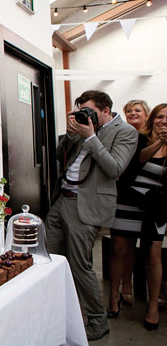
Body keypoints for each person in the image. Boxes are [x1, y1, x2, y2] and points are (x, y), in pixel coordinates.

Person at [45, 90, 137, 341]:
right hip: (61, 199)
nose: (86, 116)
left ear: (106, 110)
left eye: (91, 112)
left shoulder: (126, 132)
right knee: (48, 258)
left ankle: (97, 320)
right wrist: (71, 133)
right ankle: (54, 310)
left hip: (86, 206)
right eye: (82, 111)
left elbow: (114, 168)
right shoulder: (83, 128)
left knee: (79, 265)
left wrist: (91, 137)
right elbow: (59, 155)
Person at [108, 99, 150, 311]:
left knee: (144, 250)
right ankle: (122, 288)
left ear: (146, 114)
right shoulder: (122, 135)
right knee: (121, 248)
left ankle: (141, 288)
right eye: (129, 111)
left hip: (146, 201)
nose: (133, 113)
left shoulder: (152, 139)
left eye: (137, 110)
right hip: (123, 197)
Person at [133, 104, 166, 330]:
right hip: (132, 203)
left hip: (158, 207)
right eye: (160, 117)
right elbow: (139, 160)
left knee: (154, 255)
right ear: (152, 118)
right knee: (121, 250)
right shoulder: (140, 139)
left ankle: (152, 304)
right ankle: (121, 294)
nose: (163, 121)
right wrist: (161, 142)